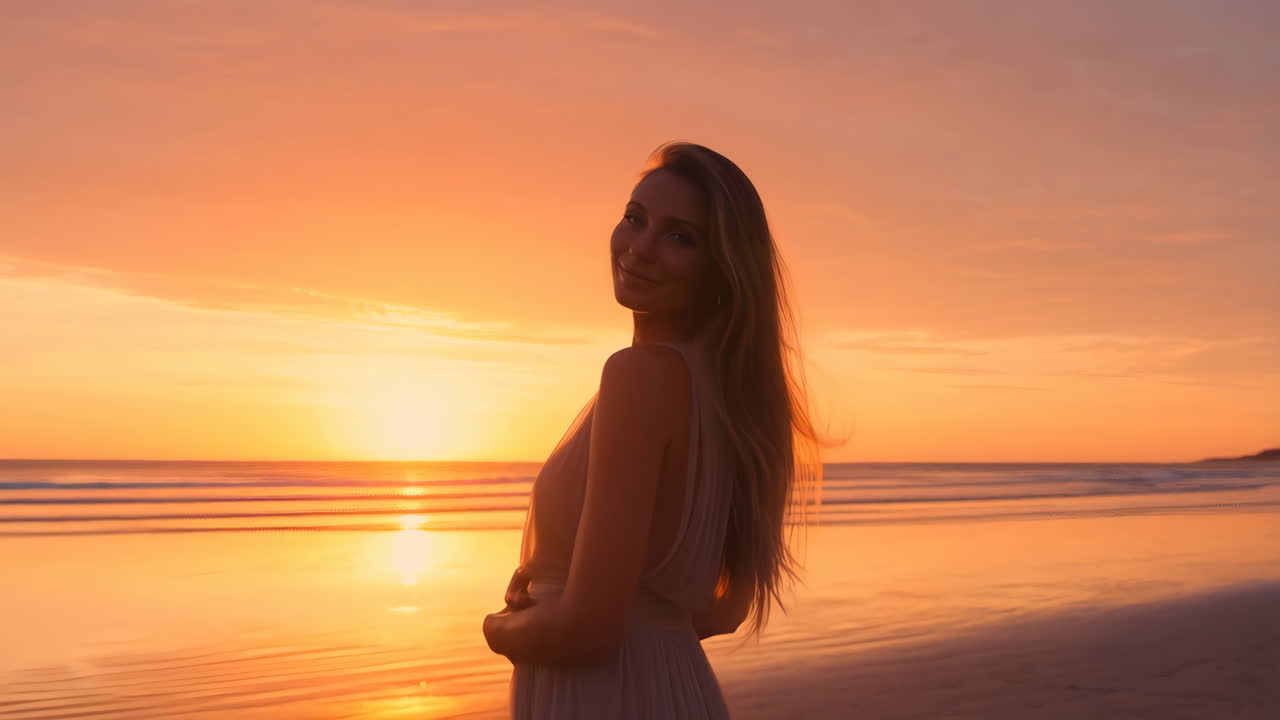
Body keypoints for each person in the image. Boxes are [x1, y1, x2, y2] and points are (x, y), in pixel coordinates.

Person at [482, 141, 832, 718]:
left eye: (679, 237)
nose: (639, 248)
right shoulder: (734, 402)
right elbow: (722, 611)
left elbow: (586, 631)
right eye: (634, 219)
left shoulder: (640, 378)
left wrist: (502, 627)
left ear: (720, 266)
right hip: (667, 689)